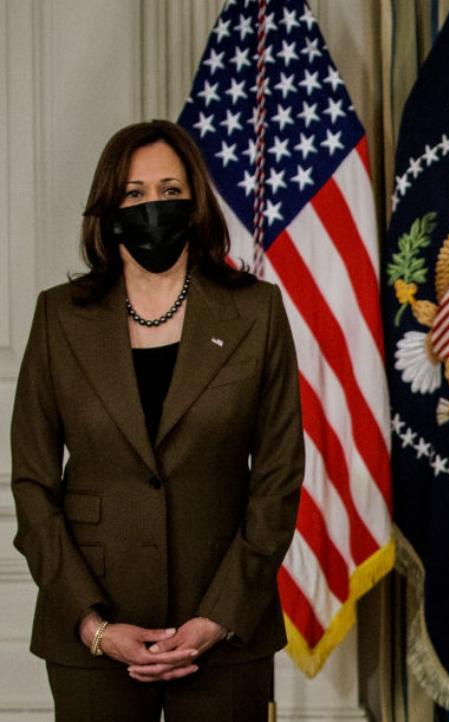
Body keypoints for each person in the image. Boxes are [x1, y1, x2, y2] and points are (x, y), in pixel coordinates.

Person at [10, 120, 304, 721]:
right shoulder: (59, 318)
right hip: (92, 636)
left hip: (225, 631)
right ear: (108, 209)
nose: (154, 207)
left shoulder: (257, 311)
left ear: (195, 202)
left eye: (170, 192)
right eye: (135, 195)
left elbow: (277, 480)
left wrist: (217, 618)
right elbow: (34, 485)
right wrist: (93, 626)